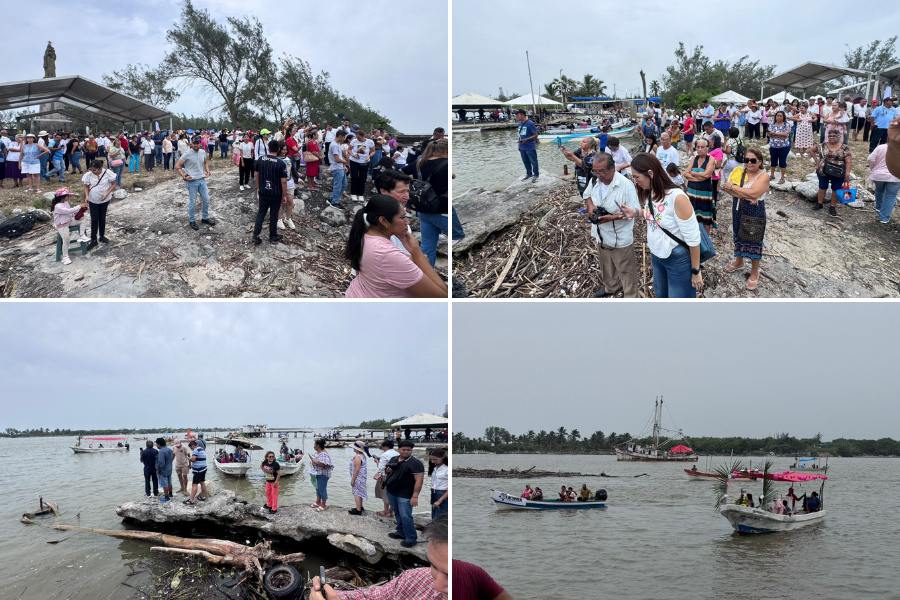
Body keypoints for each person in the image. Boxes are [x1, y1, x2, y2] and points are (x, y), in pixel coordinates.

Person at [309, 517, 450, 600]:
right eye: (434, 566)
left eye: (450, 576)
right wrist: (334, 596)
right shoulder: (416, 579)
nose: (436, 585)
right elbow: (373, 596)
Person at [345, 195, 447, 297]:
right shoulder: (386, 254)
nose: (407, 222)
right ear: (383, 221)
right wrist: (417, 252)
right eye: (402, 217)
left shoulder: (365, 235)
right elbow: (442, 296)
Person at [634, 152, 703, 297]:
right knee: (661, 296)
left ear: (650, 173)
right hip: (657, 254)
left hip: (677, 258)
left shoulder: (677, 197)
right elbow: (656, 216)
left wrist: (696, 271)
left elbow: (693, 238)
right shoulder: (650, 192)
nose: (635, 181)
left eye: (637, 177)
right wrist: (636, 212)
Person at [582, 152, 640, 298]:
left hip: (620, 236)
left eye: (602, 171)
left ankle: (631, 295)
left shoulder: (626, 185)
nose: (598, 174)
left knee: (626, 269)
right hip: (601, 233)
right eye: (595, 171)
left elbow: (634, 212)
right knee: (606, 264)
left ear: (613, 168)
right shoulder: (595, 180)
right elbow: (587, 195)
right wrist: (591, 210)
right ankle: (611, 287)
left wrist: (610, 217)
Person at [721, 148, 771, 291]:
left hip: (755, 211)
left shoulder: (764, 176)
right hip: (738, 208)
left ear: (760, 161)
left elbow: (755, 193)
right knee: (737, 234)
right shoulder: (739, 171)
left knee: (754, 239)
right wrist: (745, 194)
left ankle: (755, 272)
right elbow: (726, 188)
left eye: (753, 160)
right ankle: (739, 261)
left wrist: (737, 189)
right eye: (747, 160)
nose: (749, 163)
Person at [384, 439, 424, 547]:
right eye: (403, 449)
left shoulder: (416, 463)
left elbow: (419, 480)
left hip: (405, 494)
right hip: (392, 491)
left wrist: (415, 495)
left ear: (412, 450)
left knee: (406, 516)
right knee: (397, 513)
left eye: (408, 450)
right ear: (399, 449)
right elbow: (389, 471)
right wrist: (387, 470)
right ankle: (400, 532)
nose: (406, 452)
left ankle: (411, 538)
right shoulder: (394, 459)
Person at [175, 136, 214, 231]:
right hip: (192, 182)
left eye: (198, 143)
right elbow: (177, 166)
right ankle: (192, 221)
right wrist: (184, 176)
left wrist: (207, 171)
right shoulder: (187, 154)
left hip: (202, 180)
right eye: (194, 143)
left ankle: (205, 218)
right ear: (191, 144)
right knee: (192, 202)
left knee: (206, 199)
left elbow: (205, 162)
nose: (196, 145)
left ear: (200, 143)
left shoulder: (203, 152)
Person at [810, 129, 852, 217]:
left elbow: (848, 161)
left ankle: (832, 206)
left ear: (839, 137)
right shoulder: (822, 145)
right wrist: (817, 162)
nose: (831, 137)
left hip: (838, 172)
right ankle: (819, 203)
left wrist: (847, 173)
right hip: (823, 170)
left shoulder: (844, 147)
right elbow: (811, 151)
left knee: (836, 189)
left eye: (834, 136)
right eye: (830, 136)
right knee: (822, 186)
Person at [81, 159, 118, 250]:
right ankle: (93, 240)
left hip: (105, 200)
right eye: (91, 169)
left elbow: (113, 184)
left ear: (100, 168)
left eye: (94, 170)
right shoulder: (89, 175)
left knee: (102, 218)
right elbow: (86, 186)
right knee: (94, 219)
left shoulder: (107, 173)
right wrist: (86, 196)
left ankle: (102, 236)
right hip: (93, 200)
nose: (92, 171)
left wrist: (107, 192)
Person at [50, 187, 89, 265]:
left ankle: (82, 235)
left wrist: (78, 212)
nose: (69, 197)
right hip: (62, 225)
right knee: (66, 239)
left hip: (69, 221)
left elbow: (70, 212)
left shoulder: (66, 203)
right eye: (68, 195)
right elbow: (67, 211)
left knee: (83, 219)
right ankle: (65, 256)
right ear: (63, 197)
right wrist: (79, 207)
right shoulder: (58, 206)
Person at [684, 138, 716, 232]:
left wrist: (692, 174)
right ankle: (694, 236)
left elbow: (707, 175)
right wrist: (699, 177)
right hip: (692, 193)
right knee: (692, 215)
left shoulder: (711, 159)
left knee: (706, 218)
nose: (700, 149)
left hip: (704, 194)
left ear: (707, 148)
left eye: (702, 147)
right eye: (698, 147)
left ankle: (705, 241)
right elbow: (685, 173)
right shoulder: (694, 158)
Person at [868, 140, 900, 224]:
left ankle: (878, 208)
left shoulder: (881, 147)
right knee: (891, 195)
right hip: (895, 176)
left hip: (879, 175)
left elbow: (870, 159)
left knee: (879, 191)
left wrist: (873, 169)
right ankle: (884, 218)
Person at [374, 439, 399, 517]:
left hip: (386, 477)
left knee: (385, 494)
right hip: (396, 476)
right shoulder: (397, 453)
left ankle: (386, 511)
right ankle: (391, 511)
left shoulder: (384, 454)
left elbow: (381, 468)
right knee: (393, 494)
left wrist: (377, 462)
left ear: (385, 446)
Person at [348, 129, 375, 201]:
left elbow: (373, 151)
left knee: (363, 178)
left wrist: (369, 156)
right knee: (354, 177)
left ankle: (360, 194)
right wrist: (353, 155)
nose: (358, 139)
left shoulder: (370, 142)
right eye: (357, 137)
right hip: (354, 161)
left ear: (363, 136)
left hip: (365, 162)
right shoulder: (354, 141)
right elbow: (349, 150)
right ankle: (353, 193)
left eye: (359, 138)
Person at [515, 109, 539, 182]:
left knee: (533, 161)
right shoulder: (520, 123)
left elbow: (535, 135)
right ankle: (529, 174)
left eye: (517, 115)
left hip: (530, 146)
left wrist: (527, 139)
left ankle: (536, 174)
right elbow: (520, 135)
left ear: (522, 115)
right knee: (525, 161)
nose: (516, 117)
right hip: (522, 147)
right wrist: (519, 144)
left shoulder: (530, 123)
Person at [767, 111, 791, 184]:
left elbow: (786, 135)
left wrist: (775, 134)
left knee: (782, 162)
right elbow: (769, 135)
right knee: (773, 161)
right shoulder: (772, 124)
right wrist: (780, 135)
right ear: (775, 117)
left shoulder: (787, 125)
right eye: (777, 116)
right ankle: (772, 175)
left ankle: (782, 177)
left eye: (780, 116)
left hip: (784, 146)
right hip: (773, 146)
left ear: (784, 117)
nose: (779, 117)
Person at [309, 439, 333, 511]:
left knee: (322, 489)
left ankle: (323, 504)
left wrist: (314, 461)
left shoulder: (323, 454)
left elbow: (323, 464)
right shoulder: (318, 453)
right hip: (317, 473)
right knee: (317, 488)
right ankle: (318, 502)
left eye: (314, 444)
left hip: (323, 474)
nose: (313, 446)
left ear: (318, 445)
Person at [346, 441, 368, 516]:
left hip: (358, 477)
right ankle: (360, 507)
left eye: (354, 448)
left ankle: (358, 510)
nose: (353, 449)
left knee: (356, 493)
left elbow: (357, 469)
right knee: (360, 492)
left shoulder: (357, 457)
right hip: (362, 477)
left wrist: (353, 480)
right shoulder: (362, 455)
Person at [184, 440, 209, 505]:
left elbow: (193, 459)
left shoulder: (196, 450)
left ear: (193, 445)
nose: (191, 449)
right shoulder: (202, 449)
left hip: (198, 471)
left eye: (191, 448)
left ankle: (191, 500)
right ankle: (203, 497)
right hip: (203, 469)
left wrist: (189, 458)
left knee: (194, 485)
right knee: (202, 483)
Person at [328, 130, 348, 207]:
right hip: (336, 168)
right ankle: (334, 202)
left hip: (340, 167)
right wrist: (345, 162)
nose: (344, 139)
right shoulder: (335, 145)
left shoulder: (338, 144)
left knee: (344, 184)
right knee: (338, 185)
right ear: (340, 136)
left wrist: (344, 166)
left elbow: (340, 157)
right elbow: (337, 159)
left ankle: (333, 198)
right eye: (344, 137)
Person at [428, 448, 448, 519]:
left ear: (442, 457)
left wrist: (440, 500)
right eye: (431, 459)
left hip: (443, 495)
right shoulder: (435, 468)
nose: (433, 461)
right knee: (434, 517)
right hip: (434, 493)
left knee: (441, 518)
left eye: (435, 459)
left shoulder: (447, 469)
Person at [155, 437, 174, 503]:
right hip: (169, 468)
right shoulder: (170, 450)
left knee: (164, 484)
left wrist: (158, 470)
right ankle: (171, 494)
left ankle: (166, 497)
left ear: (159, 444)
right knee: (169, 482)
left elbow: (161, 463)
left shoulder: (161, 451)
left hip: (163, 470)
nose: (156, 445)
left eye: (156, 444)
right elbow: (172, 458)